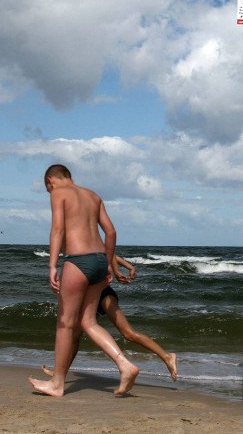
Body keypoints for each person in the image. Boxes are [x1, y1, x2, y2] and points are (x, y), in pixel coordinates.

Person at [28, 164, 139, 397]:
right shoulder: (93, 195)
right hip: (99, 261)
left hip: (78, 261)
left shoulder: (59, 193)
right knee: (88, 322)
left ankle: (57, 384)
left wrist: (52, 266)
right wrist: (109, 262)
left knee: (65, 323)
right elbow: (111, 232)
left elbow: (57, 230)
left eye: (48, 188)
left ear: (50, 180)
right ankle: (125, 365)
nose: (50, 192)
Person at [41, 255, 178, 382]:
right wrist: (129, 266)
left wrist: (128, 267)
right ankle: (60, 373)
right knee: (75, 337)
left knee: (128, 333)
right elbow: (110, 255)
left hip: (105, 295)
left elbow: (110, 255)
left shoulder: (87, 247)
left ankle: (167, 356)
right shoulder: (83, 248)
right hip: (88, 297)